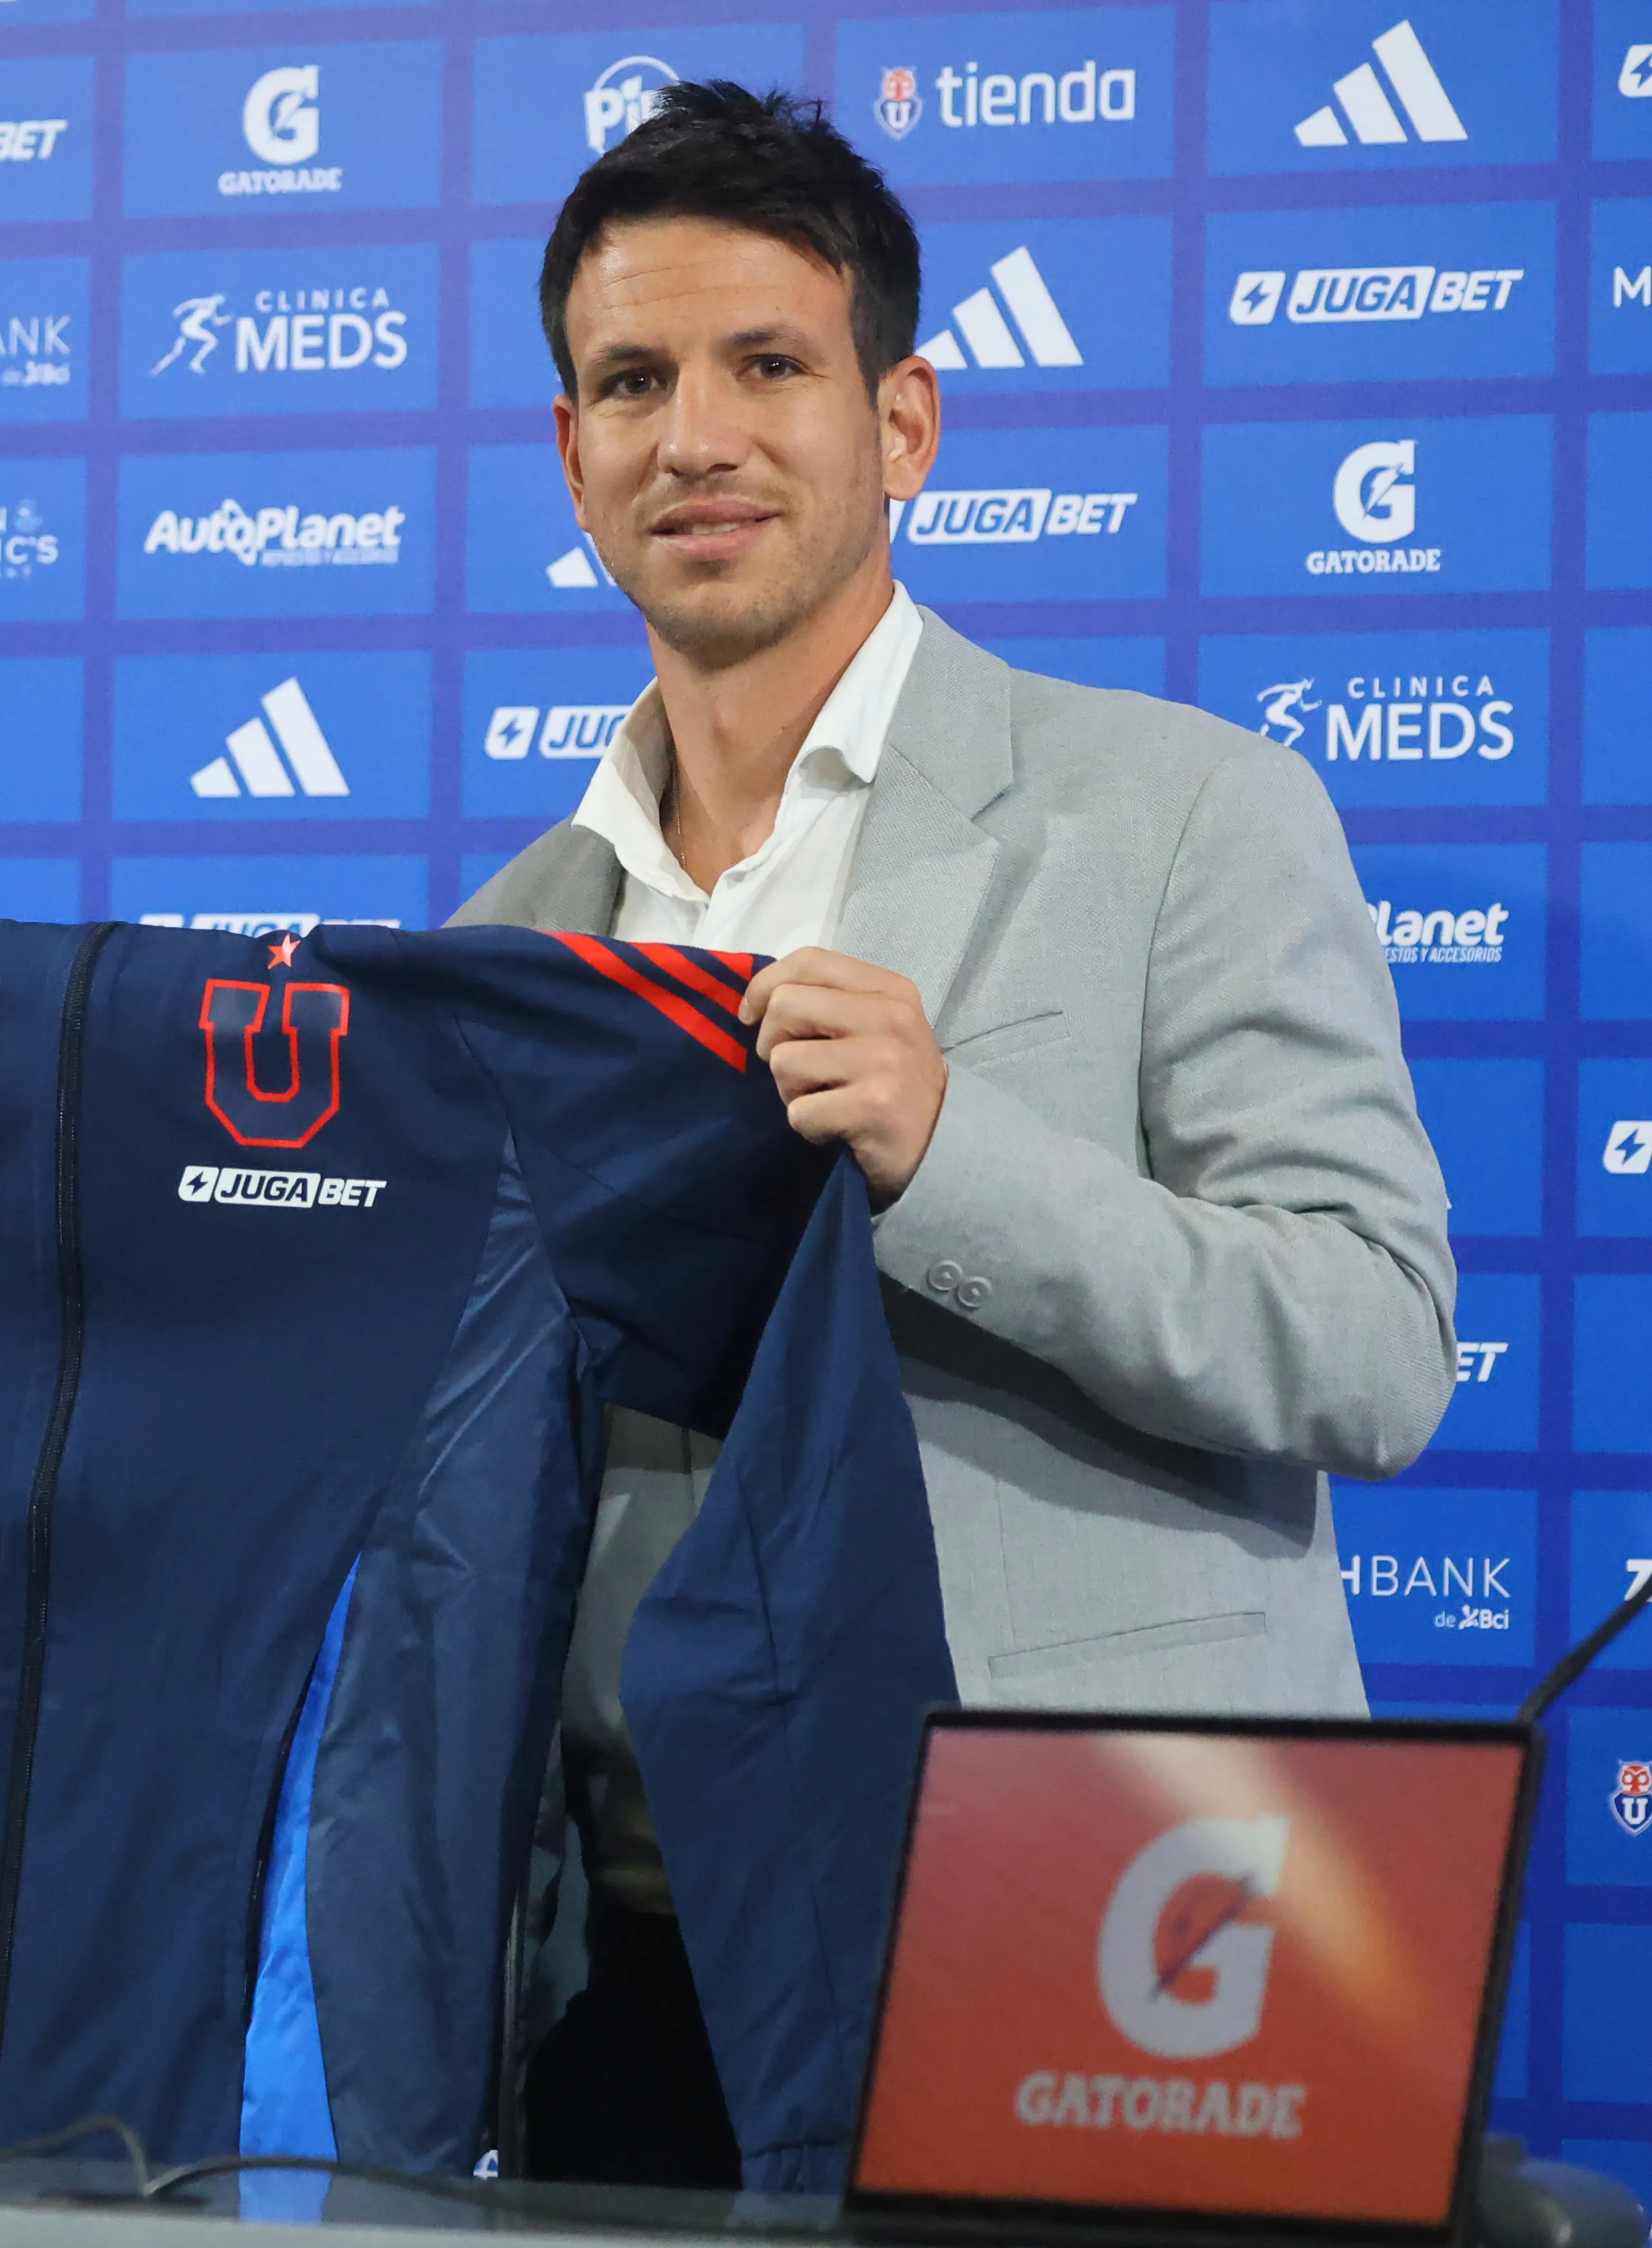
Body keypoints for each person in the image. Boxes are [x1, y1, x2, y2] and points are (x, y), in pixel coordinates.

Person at [453, 84, 1455, 2189]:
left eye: (766, 368)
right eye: (629, 382)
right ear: (568, 456)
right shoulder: (510, 938)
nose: (693, 437)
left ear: (902, 422)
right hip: (621, 1955)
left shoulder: (1183, 811)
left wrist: (947, 1152)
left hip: (1092, 1909)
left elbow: (1369, 1343)